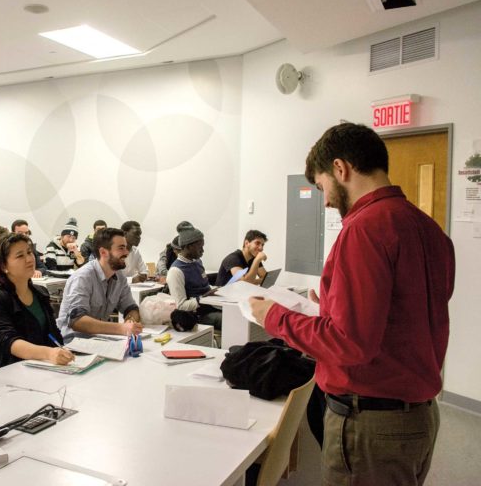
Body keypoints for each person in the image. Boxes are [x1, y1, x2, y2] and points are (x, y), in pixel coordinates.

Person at [249, 123, 454, 486]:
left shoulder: (364, 229)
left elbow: (351, 343)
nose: (326, 201)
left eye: (321, 187)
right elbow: (403, 316)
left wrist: (275, 317)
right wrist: (331, 307)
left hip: (372, 424)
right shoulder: (428, 228)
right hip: (416, 417)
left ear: (340, 169)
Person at [0, 233, 73, 370]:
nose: (29, 259)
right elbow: (10, 342)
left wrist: (62, 351)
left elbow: (53, 333)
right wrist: (49, 353)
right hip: (8, 371)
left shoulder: (40, 293)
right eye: (20, 256)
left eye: (29, 252)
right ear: (3, 266)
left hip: (44, 366)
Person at [56, 228, 143, 340]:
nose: (126, 252)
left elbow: (131, 308)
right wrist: (121, 328)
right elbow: (77, 321)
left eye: (126, 248)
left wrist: (131, 321)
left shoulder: (120, 277)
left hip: (99, 339)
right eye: (121, 248)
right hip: (72, 342)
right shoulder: (83, 277)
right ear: (103, 252)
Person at [167, 223, 221, 329]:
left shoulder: (197, 262)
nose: (203, 251)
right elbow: (181, 306)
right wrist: (202, 298)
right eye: (200, 247)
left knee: (239, 312)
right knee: (230, 319)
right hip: (197, 315)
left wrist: (216, 290)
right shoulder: (176, 271)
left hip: (211, 306)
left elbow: (203, 287)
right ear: (188, 247)